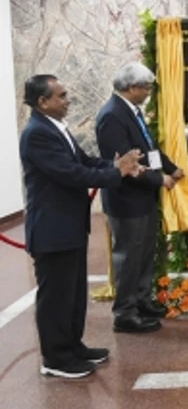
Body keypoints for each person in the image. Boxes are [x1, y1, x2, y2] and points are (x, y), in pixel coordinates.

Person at [19, 74, 142, 378]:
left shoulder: (54, 127)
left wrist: (114, 165)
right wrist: (118, 174)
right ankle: (55, 358)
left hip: (68, 226)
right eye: (60, 96)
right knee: (55, 297)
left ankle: (72, 345)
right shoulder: (36, 133)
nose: (67, 99)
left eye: (66, 94)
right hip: (52, 228)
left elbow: (85, 160)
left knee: (72, 293)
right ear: (42, 102)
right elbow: (71, 174)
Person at [96, 62, 183, 333]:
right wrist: (160, 179)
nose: (148, 92)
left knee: (144, 253)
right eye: (145, 87)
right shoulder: (112, 115)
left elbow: (148, 149)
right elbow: (126, 163)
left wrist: (170, 168)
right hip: (126, 200)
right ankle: (124, 313)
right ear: (131, 87)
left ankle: (142, 301)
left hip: (143, 198)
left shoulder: (131, 112)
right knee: (128, 256)